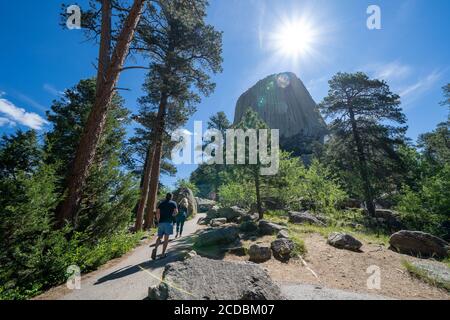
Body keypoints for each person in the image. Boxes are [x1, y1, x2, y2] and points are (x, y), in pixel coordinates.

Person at [151, 193, 178, 260]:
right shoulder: (173, 203)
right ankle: (163, 254)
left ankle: (155, 249)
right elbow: (176, 212)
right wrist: (172, 216)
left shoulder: (161, 203)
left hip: (161, 223)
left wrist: (158, 221)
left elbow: (157, 213)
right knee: (166, 239)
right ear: (171, 197)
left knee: (159, 237)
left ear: (166, 197)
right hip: (168, 223)